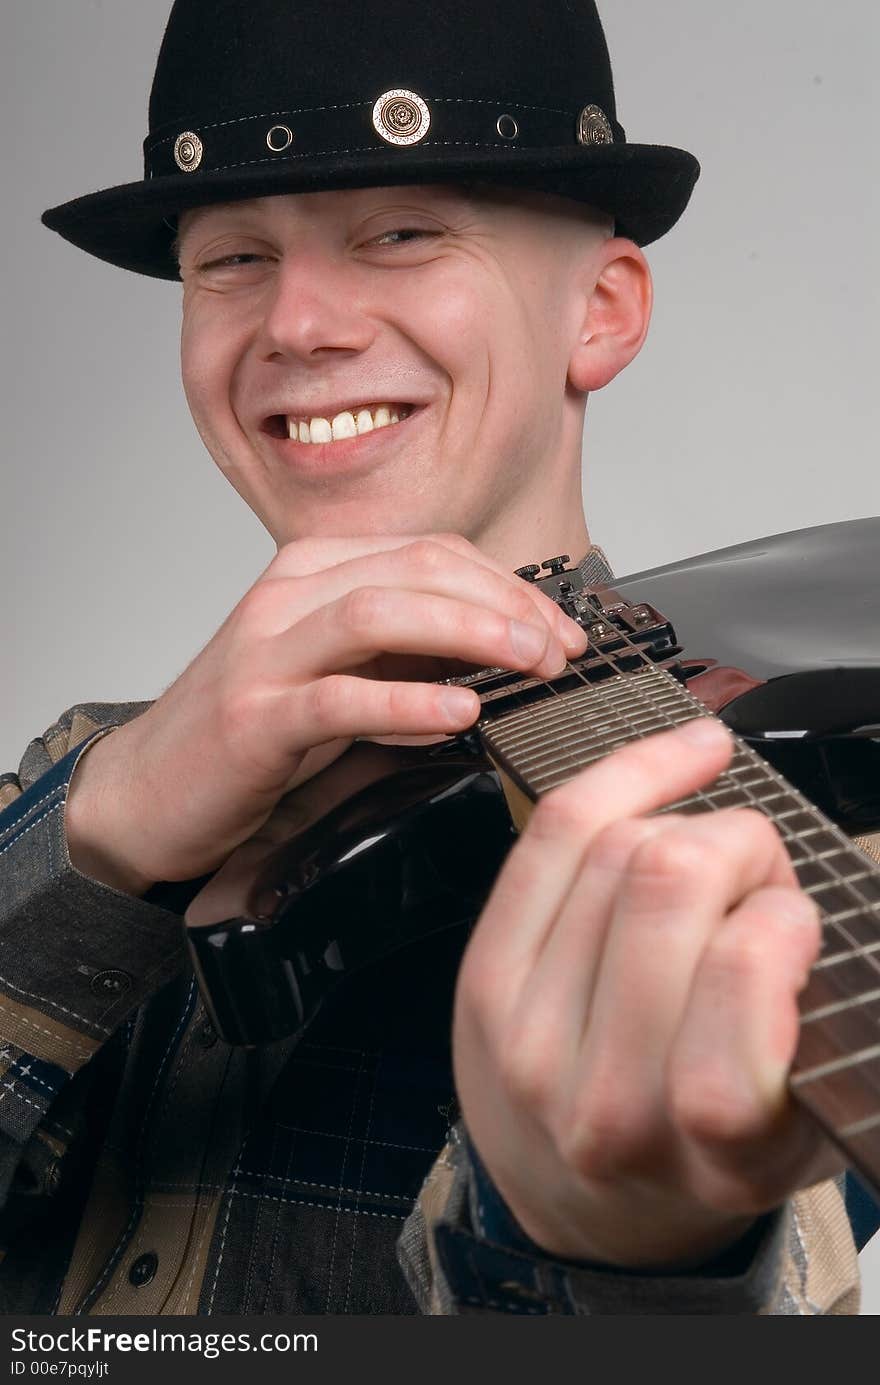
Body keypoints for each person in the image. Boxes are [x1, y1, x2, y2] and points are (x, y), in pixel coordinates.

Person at [0, 0, 863, 1315]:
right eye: (231, 258)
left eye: (401, 233)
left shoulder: (807, 842)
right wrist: (105, 832)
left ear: (604, 312)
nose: (296, 323)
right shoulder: (78, 770)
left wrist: (607, 1245)